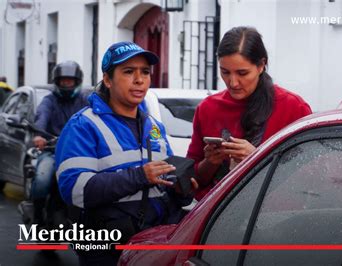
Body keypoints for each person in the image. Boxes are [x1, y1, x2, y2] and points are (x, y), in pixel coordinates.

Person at [55, 41, 197, 265]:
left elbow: (163, 182)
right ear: (108, 80)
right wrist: (140, 176)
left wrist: (181, 191)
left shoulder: (154, 126)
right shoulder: (83, 125)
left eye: (145, 72)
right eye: (129, 72)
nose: (139, 80)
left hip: (153, 246)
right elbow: (75, 190)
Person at [186, 26, 312, 200]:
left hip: (274, 214)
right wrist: (210, 162)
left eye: (242, 73)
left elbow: (307, 174)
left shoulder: (293, 107)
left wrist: (258, 158)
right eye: (225, 72)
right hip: (215, 215)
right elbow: (193, 178)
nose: (233, 82)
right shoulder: (208, 108)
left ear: (261, 65)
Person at [30, 61, 89, 226]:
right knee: (42, 178)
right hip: (52, 150)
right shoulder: (49, 101)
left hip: (77, 152)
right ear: (56, 82)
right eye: (63, 81)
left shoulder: (85, 101)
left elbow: (94, 118)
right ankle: (37, 214)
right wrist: (39, 135)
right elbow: (42, 116)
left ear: (77, 82)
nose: (66, 84)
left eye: (69, 81)